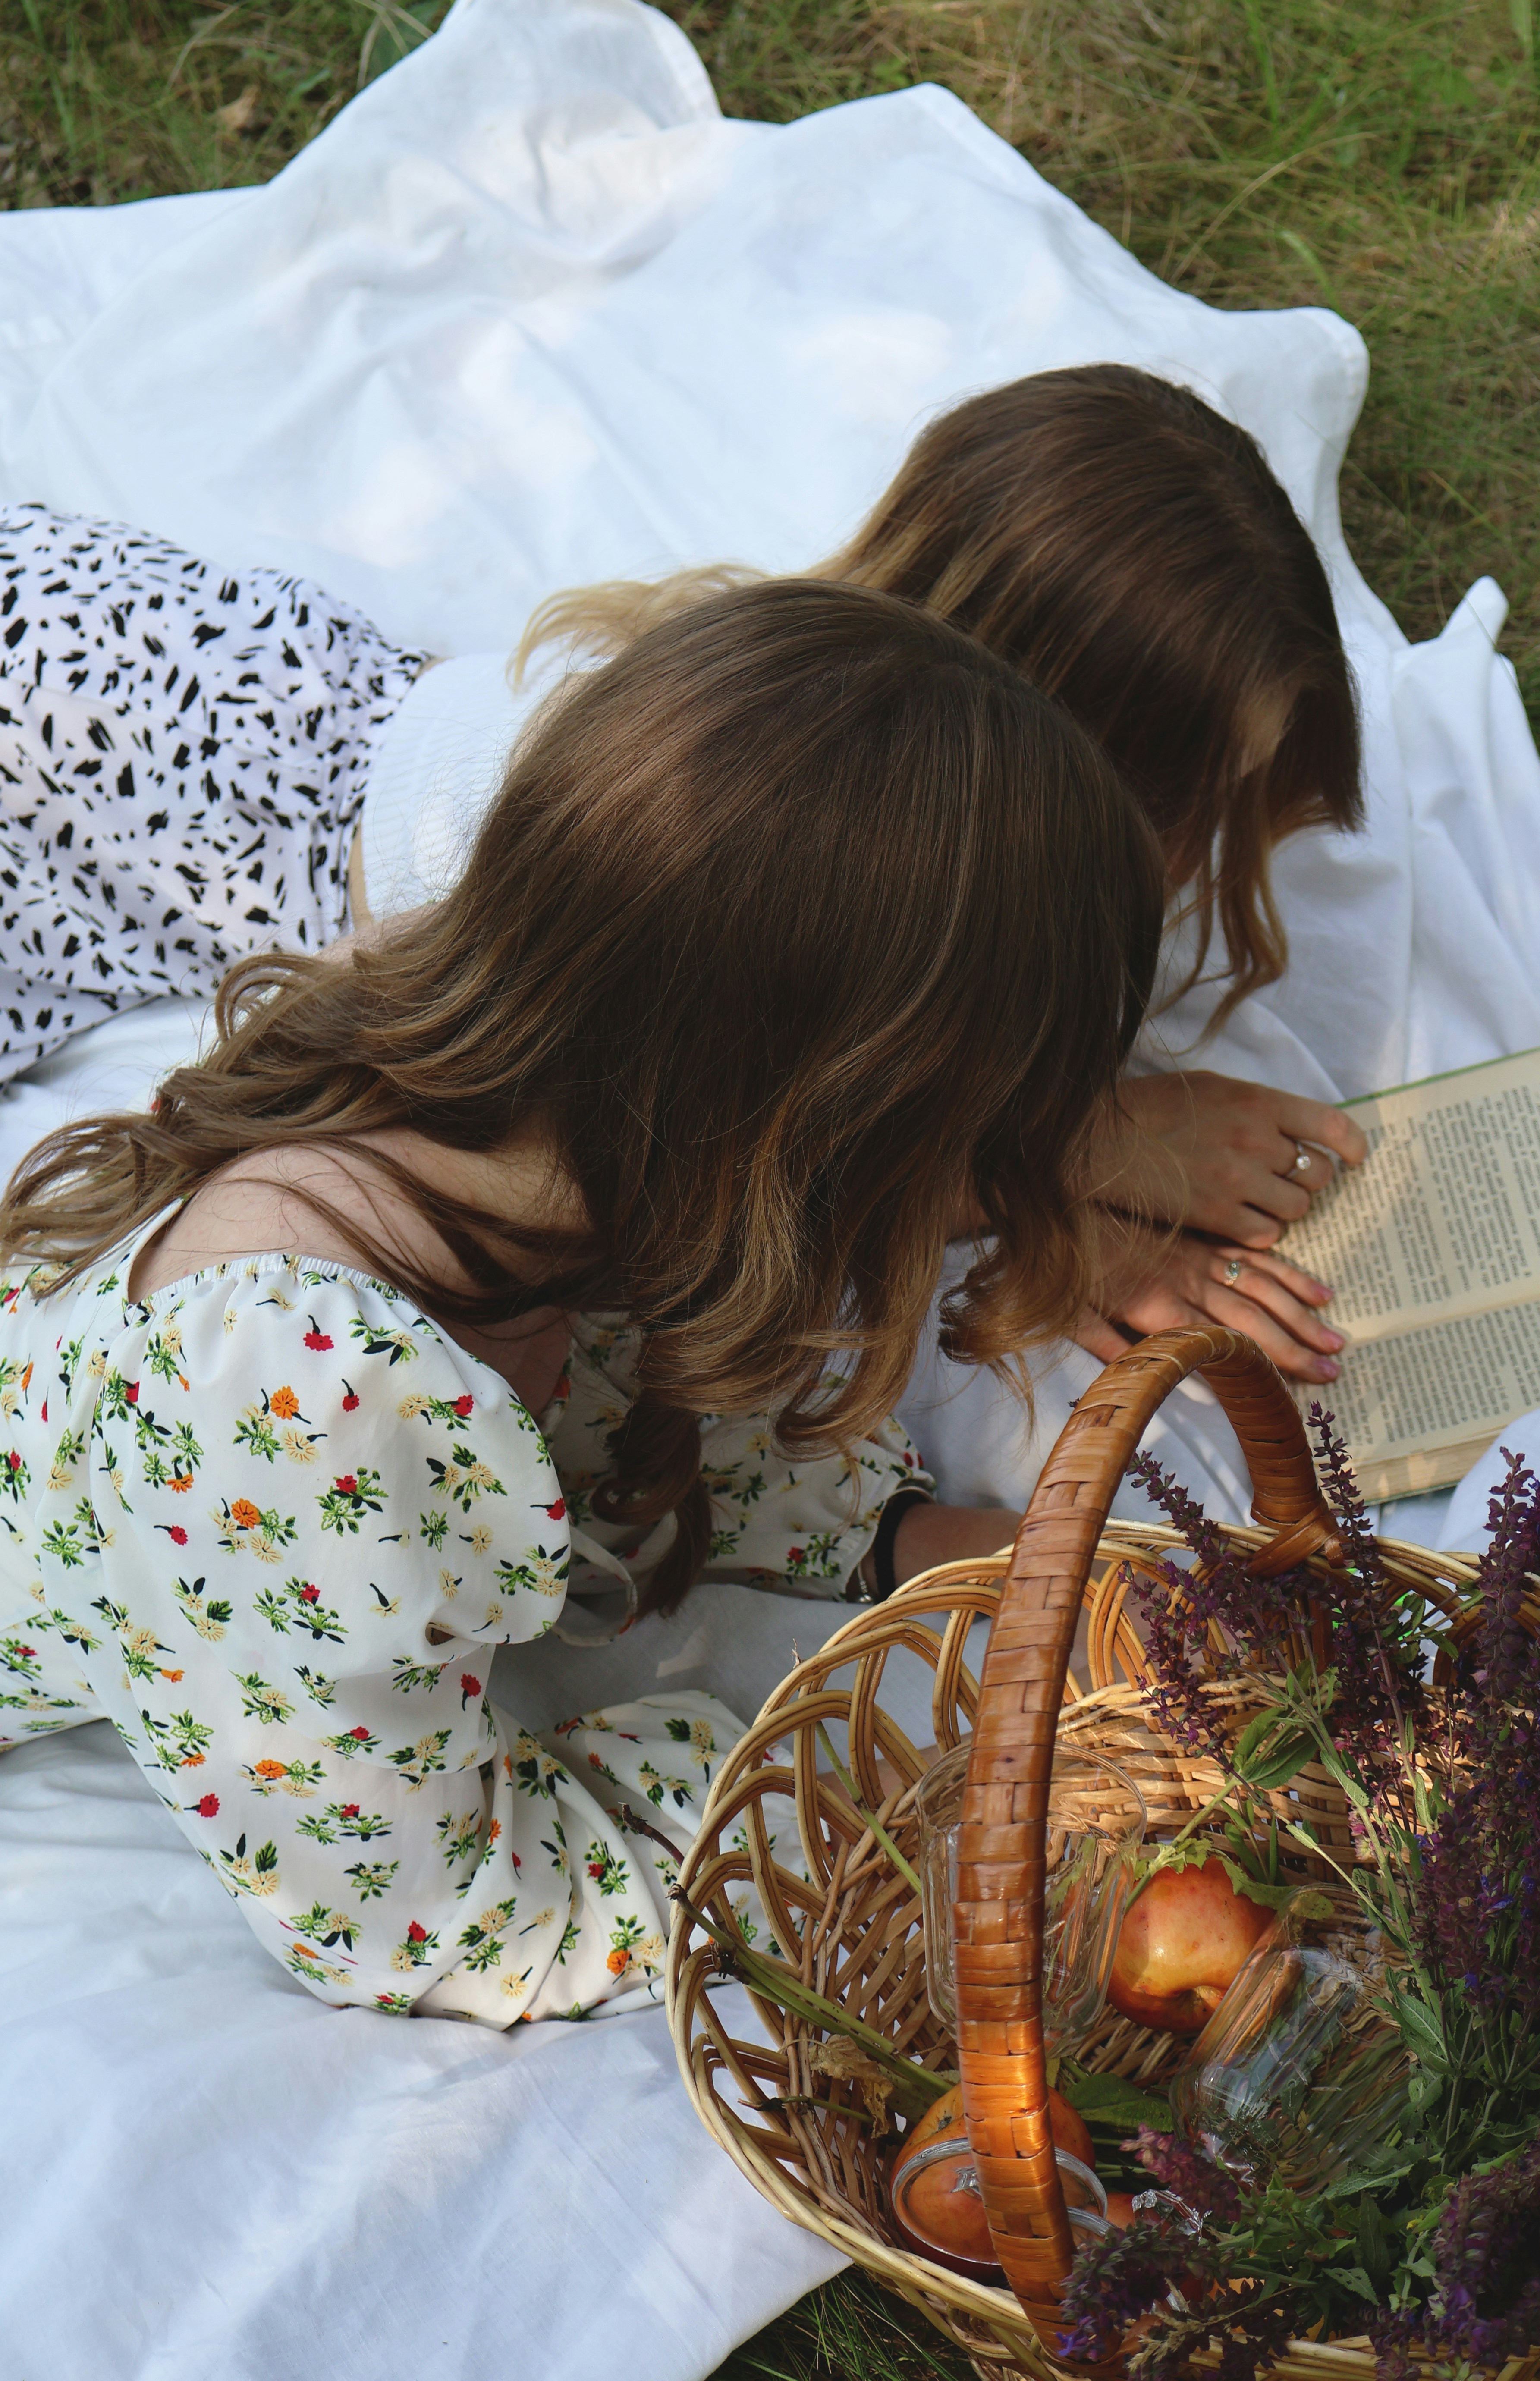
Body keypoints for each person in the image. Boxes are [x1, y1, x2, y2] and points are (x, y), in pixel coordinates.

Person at [0, 579, 1162, 2023]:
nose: (985, 1202)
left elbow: (624, 1400)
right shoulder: (292, 1401)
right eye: (974, 1153)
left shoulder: (552, 1106)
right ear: (806, 1137)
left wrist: (907, 1538)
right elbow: (435, 1922)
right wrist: (896, 1805)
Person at [0, 367, 1367, 1426]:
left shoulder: (746, 730)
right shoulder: (634, 883)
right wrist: (1058, 1178)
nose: (1199, 871)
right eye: (1188, 813)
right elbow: (721, 1172)